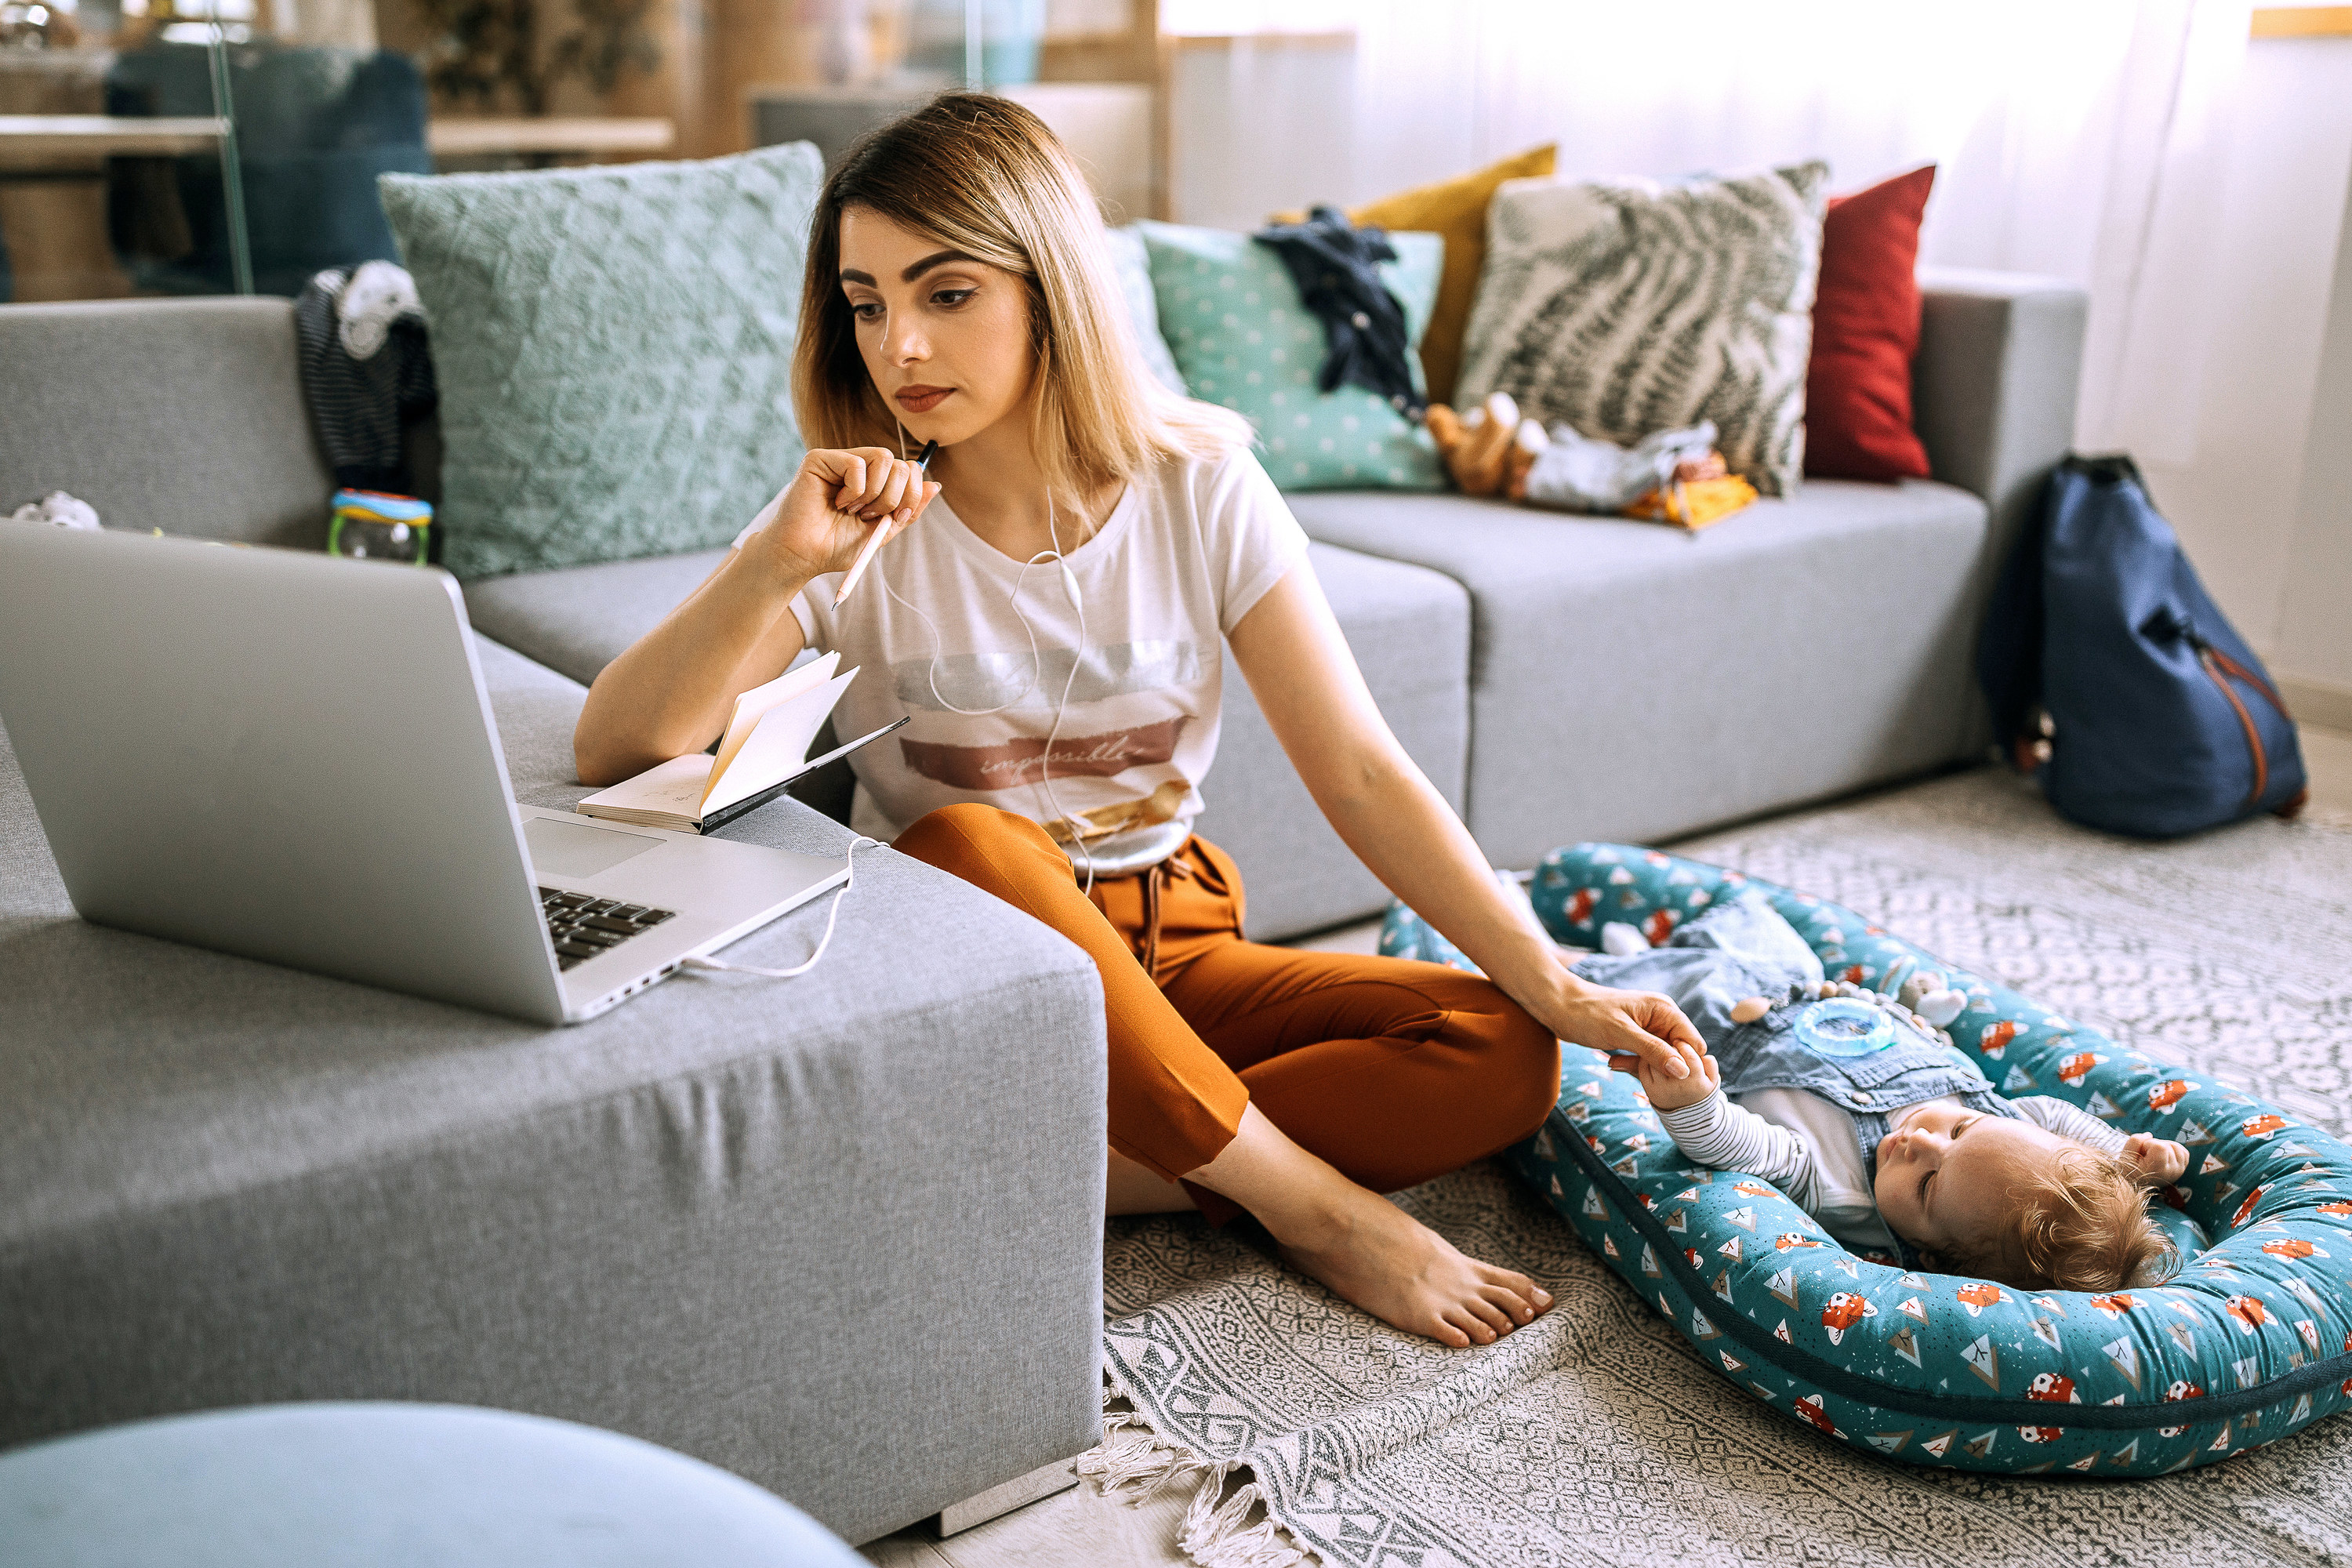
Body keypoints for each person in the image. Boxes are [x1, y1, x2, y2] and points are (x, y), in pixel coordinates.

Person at [573, 93, 1704, 1348]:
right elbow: (617, 749)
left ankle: (1089, 1163)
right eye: (867, 301)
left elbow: (1363, 772)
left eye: (946, 293)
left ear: (1050, 281)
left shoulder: (1201, 479)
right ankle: (1313, 1209)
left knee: (1504, 1051)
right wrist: (774, 569)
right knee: (968, 846)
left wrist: (1557, 983)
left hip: (1181, 939)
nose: (899, 345)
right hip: (984, 964)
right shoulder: (850, 525)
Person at [1588, 891, 2185, 1290]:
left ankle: (1584, 954)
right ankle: (1644, 952)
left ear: (1928, 1255)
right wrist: (2122, 1157)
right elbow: (2055, 1116)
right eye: (1960, 1129)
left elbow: (1739, 1149)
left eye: (1927, 1186)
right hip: (1806, 989)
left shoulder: (1841, 1190)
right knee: (1752, 927)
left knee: (1605, 991)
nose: (1920, 1141)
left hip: (1717, 1024)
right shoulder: (2004, 1118)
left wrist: (1691, 1102)